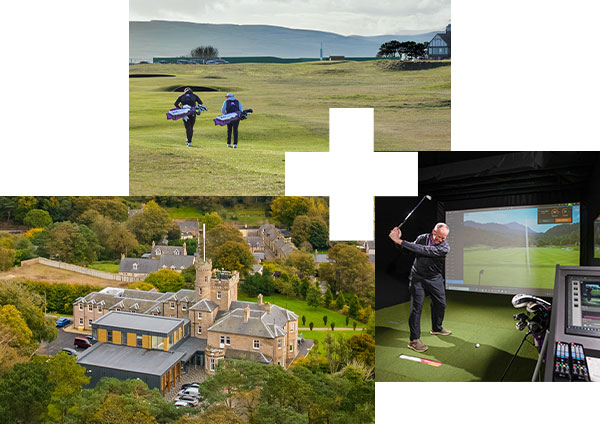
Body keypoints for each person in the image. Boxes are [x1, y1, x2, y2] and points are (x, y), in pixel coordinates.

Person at [388, 223, 451, 353]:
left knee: (441, 304)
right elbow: (408, 250)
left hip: (434, 278)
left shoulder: (444, 247)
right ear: (433, 232)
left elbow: (424, 250)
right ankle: (414, 340)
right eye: (439, 237)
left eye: (444, 238)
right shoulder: (422, 238)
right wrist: (397, 242)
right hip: (417, 278)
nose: (441, 240)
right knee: (417, 308)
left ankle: (437, 328)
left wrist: (400, 240)